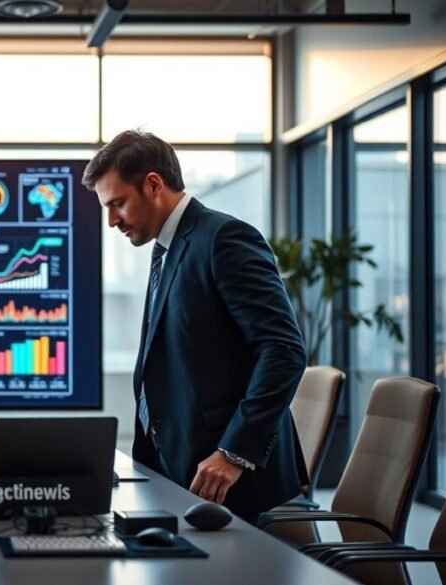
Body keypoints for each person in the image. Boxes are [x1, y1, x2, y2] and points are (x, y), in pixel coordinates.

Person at [83, 130, 308, 523]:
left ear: (153, 184)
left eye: (117, 204)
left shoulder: (224, 238)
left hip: (232, 485)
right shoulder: (165, 250)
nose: (111, 220)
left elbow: (283, 349)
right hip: (181, 476)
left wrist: (233, 453)